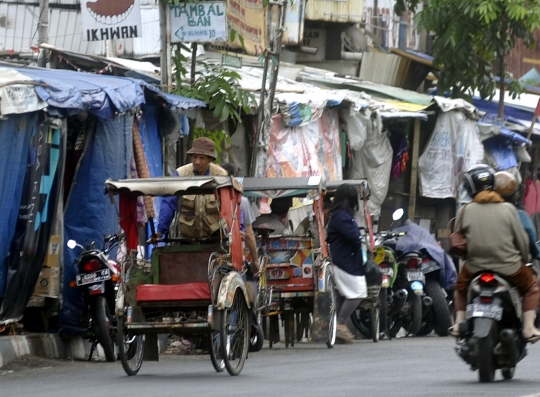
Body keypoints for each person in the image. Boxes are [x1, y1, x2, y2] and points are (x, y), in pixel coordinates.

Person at [450, 164, 540, 342]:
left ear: (469, 189)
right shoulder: (509, 210)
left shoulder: (464, 211)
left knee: (460, 289)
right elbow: (522, 241)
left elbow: (457, 242)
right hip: (510, 268)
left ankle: (459, 323)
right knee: (532, 288)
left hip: (474, 268)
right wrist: (525, 259)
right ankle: (529, 328)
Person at [154, 137, 228, 240]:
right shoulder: (181, 174)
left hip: (215, 235)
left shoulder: (221, 175)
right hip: (188, 235)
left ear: (210, 159)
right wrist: (160, 230)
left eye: (202, 158)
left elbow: (231, 205)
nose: (197, 161)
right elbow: (169, 203)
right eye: (195, 157)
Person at [326, 183, 367, 344]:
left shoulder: (339, 215)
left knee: (349, 293)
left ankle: (340, 325)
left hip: (346, 259)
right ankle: (340, 323)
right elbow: (353, 237)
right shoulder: (341, 216)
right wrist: (359, 240)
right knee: (357, 291)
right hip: (343, 260)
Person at [220, 162, 259, 273]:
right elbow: (249, 234)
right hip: (234, 255)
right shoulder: (242, 201)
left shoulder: (208, 197)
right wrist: (255, 260)